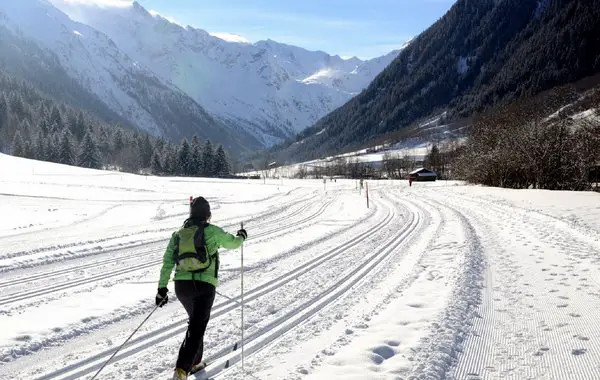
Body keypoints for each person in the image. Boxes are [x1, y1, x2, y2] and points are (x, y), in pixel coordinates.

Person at [155, 196, 247, 380]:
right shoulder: (211, 231)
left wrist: (162, 288)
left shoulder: (178, 234)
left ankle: (195, 363)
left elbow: (167, 261)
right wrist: (242, 235)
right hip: (204, 287)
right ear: (207, 214)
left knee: (196, 323)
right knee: (197, 328)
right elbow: (233, 243)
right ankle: (181, 371)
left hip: (182, 287)